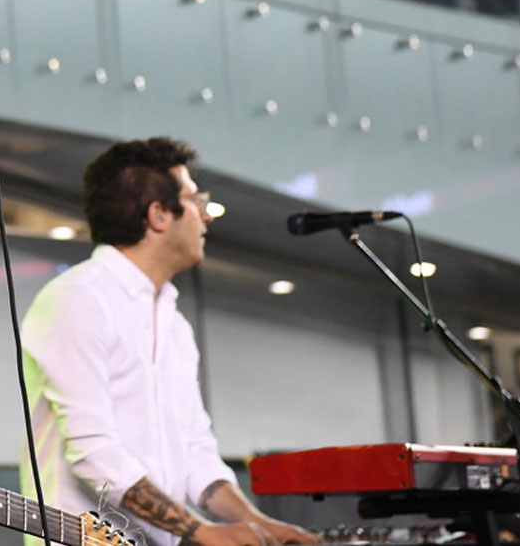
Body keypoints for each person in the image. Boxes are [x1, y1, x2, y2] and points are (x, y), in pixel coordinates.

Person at [21, 138, 319, 546]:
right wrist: (202, 531)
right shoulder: (77, 299)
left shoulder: (174, 323)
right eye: (195, 200)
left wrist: (259, 526)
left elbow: (196, 453)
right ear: (158, 215)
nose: (205, 216)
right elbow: (94, 454)